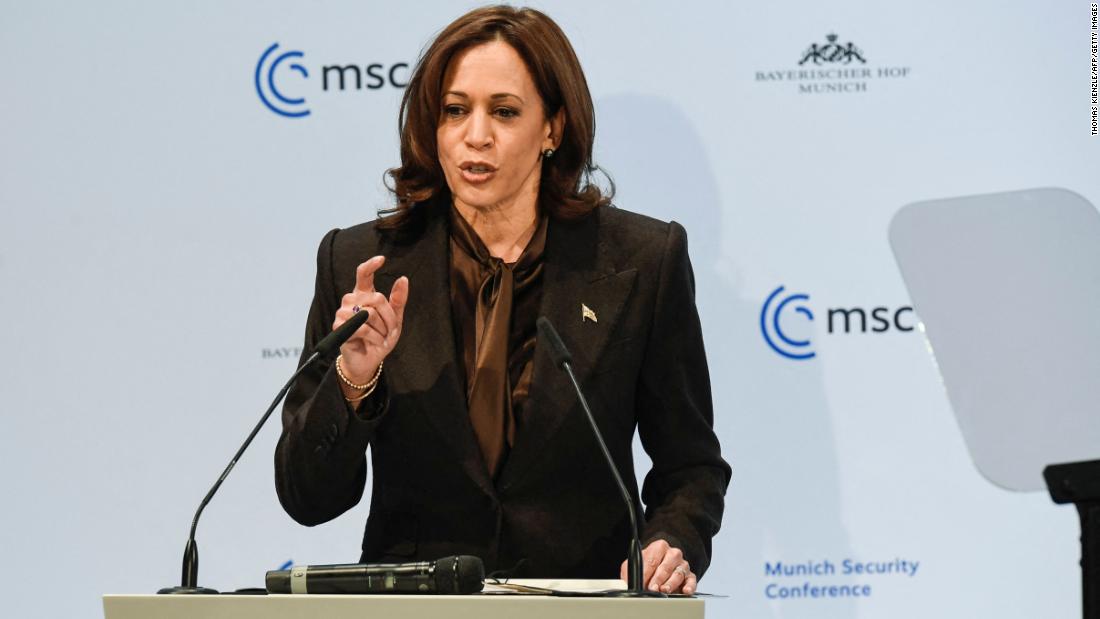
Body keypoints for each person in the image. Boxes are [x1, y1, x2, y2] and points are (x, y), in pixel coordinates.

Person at [274, 5, 730, 595]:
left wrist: (672, 541)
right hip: (420, 604)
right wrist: (354, 380)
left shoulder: (642, 261)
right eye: (455, 110)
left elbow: (690, 467)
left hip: (585, 602)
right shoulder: (363, 263)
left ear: (553, 129)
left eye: (505, 111)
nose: (476, 135)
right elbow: (308, 498)